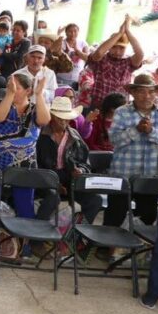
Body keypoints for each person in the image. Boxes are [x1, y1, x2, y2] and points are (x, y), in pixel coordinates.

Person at [0, 73, 50, 221]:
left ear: (28, 91)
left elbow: (44, 120)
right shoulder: (0, 104)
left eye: (16, 87)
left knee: (24, 203)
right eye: (9, 86)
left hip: (25, 162)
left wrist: (39, 94)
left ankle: (24, 239)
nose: (11, 89)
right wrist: (10, 94)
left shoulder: (34, 109)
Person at [104, 74, 158, 231]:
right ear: (134, 93)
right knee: (114, 214)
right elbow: (114, 140)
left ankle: (137, 250)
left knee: (148, 216)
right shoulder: (122, 112)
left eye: (151, 92)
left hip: (150, 176)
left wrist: (151, 131)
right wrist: (136, 130)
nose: (147, 96)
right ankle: (105, 248)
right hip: (123, 174)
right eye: (142, 92)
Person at [35, 96, 101, 226]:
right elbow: (36, 165)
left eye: (66, 119)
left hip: (69, 179)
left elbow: (85, 163)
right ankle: (36, 237)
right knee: (52, 197)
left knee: (95, 200)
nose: (63, 122)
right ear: (52, 117)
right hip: (45, 179)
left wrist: (80, 170)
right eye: (60, 118)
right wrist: (53, 182)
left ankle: (76, 235)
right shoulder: (40, 135)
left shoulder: (74, 136)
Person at [85, 18, 144, 108]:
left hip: (121, 108)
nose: (117, 51)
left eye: (121, 48)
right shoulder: (101, 59)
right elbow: (100, 52)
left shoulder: (128, 62)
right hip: (99, 106)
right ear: (109, 47)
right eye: (114, 47)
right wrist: (120, 33)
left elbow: (140, 54)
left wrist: (127, 31)